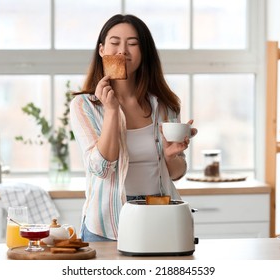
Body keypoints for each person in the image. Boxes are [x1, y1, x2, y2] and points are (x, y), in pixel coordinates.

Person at [70, 14, 197, 242]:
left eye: (133, 43)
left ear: (144, 51)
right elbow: (101, 169)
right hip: (107, 224)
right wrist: (111, 111)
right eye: (115, 42)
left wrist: (170, 156)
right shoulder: (84, 106)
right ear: (102, 50)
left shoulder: (166, 105)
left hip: (159, 216)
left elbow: (177, 173)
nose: (123, 51)